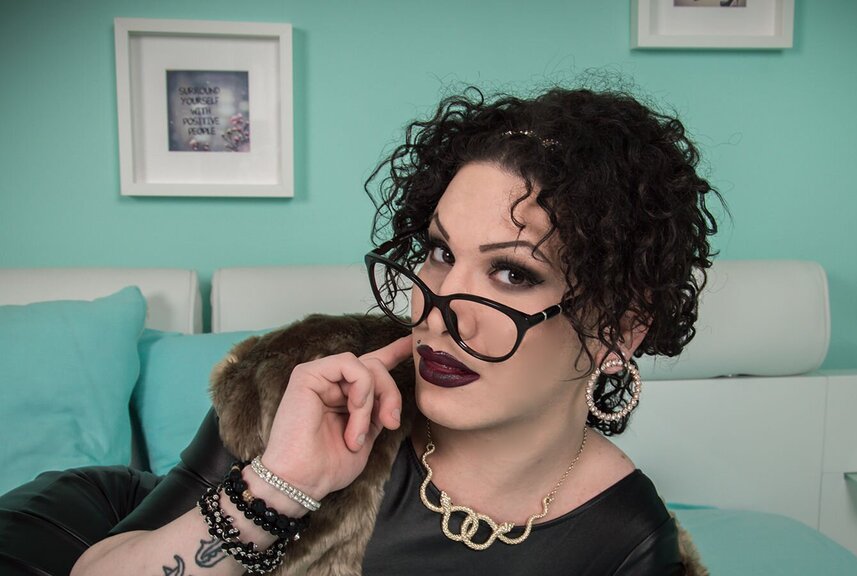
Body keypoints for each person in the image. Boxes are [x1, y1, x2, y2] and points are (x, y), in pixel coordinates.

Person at [69, 85, 718, 575]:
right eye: (440, 252)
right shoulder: (305, 381)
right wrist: (278, 484)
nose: (439, 310)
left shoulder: (628, 541)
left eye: (512, 274)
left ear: (618, 333)